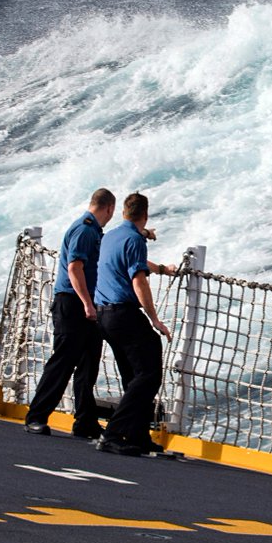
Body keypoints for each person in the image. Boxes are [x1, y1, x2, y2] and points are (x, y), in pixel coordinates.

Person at [23, 188, 116, 439]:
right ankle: (36, 416)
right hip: (73, 304)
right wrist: (87, 303)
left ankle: (85, 421)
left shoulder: (93, 230)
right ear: (109, 208)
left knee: (88, 363)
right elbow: (75, 268)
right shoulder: (85, 230)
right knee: (63, 362)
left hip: (86, 303)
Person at [93, 192, 178, 455]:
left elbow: (132, 259)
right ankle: (114, 433)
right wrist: (155, 319)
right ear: (145, 214)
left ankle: (137, 435)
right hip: (123, 314)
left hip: (103, 315)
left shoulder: (112, 236)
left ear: (122, 213)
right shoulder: (134, 240)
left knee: (132, 376)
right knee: (149, 373)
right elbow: (138, 280)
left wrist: (160, 267)